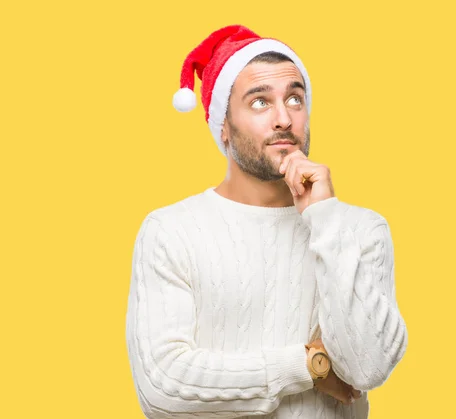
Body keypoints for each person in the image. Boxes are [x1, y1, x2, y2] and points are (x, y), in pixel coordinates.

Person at [125, 24, 407, 419]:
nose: (283, 119)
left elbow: (368, 366)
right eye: (259, 102)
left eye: (295, 99)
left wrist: (324, 219)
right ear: (223, 126)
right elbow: (162, 387)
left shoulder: (360, 230)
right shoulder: (172, 231)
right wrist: (309, 365)